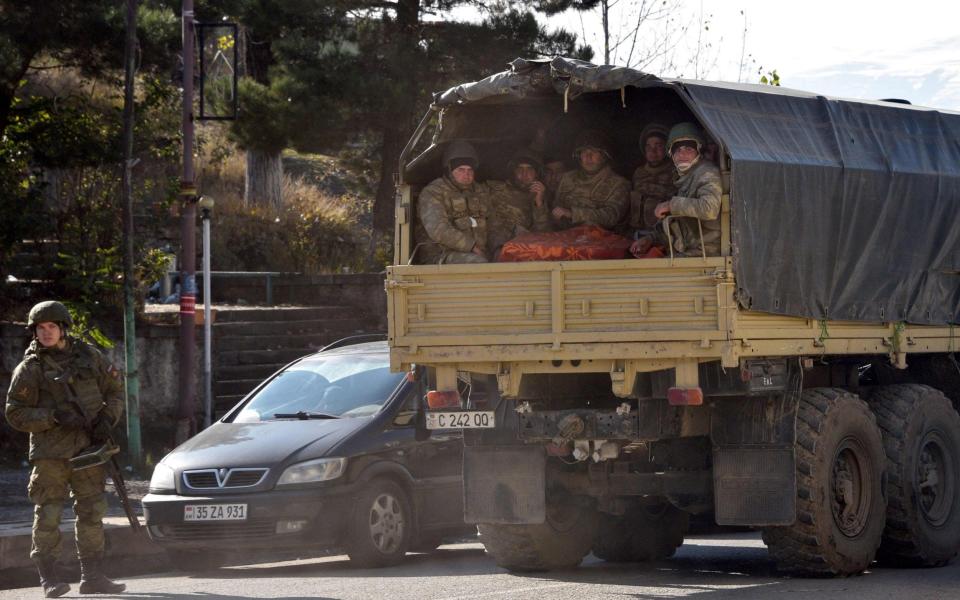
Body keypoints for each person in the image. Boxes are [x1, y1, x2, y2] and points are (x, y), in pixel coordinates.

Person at [4, 301, 126, 597]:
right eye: (41, 328)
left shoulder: (89, 357)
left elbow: (115, 390)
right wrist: (53, 417)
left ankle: (93, 576)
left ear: (63, 328)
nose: (46, 333)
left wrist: (107, 420)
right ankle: (49, 579)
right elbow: (14, 412)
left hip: (89, 450)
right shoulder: (30, 369)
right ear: (34, 332)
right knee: (48, 514)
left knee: (92, 511)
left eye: (52, 327)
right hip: (51, 454)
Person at [630, 122, 722, 258]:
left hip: (705, 252)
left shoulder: (706, 172)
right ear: (671, 154)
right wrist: (650, 239)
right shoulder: (685, 177)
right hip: (689, 248)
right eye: (677, 150)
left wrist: (670, 205)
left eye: (688, 149)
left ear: (698, 151)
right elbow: (678, 224)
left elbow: (709, 208)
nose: (682, 154)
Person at [417, 140, 492, 264]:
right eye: (461, 170)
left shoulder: (480, 191)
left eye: (470, 170)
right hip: (441, 255)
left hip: (479, 252)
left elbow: (493, 222)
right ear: (449, 170)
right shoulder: (433, 192)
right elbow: (439, 230)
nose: (466, 175)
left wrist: (498, 248)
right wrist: (472, 247)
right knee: (478, 263)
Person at [551, 129, 630, 231]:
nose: (588, 157)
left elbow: (611, 216)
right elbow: (555, 208)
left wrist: (573, 213)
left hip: (602, 241)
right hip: (565, 237)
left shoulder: (619, 184)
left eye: (594, 152)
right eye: (584, 152)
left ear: (604, 156)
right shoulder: (568, 178)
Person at [486, 148, 551, 257]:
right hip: (500, 246)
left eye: (530, 169)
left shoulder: (540, 194)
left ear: (537, 173)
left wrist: (539, 202)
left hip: (527, 247)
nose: (524, 174)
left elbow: (543, 233)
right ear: (513, 172)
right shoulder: (495, 189)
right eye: (520, 169)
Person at [623, 122, 677, 234]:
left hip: (663, 235)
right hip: (635, 232)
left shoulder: (676, 173)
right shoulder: (638, 173)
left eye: (658, 145)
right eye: (648, 146)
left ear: (667, 148)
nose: (653, 151)